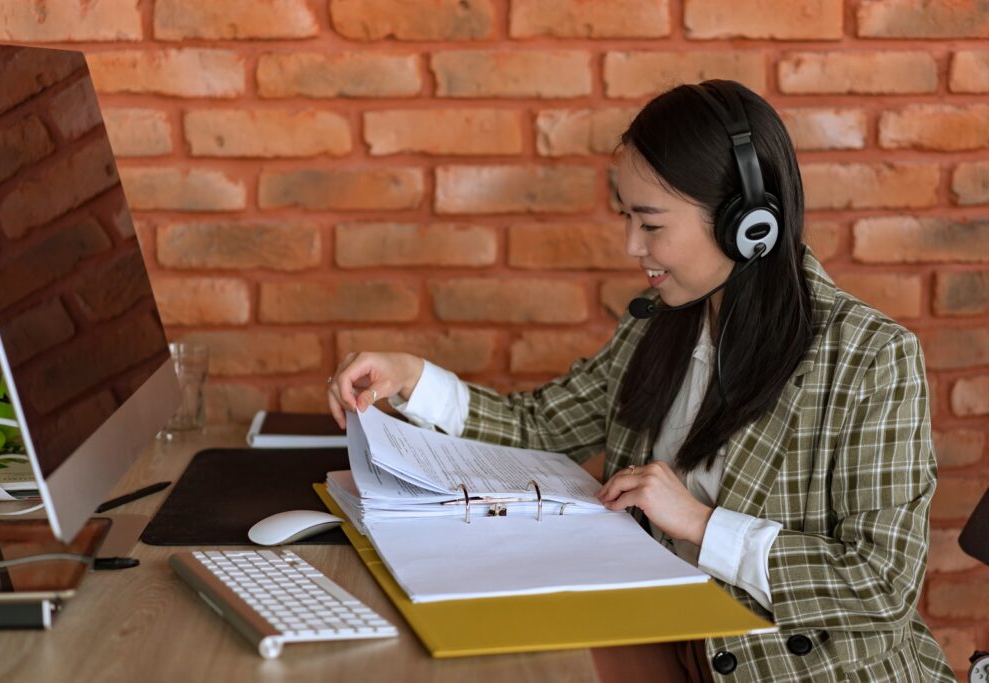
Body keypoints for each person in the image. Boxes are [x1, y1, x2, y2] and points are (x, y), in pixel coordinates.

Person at [327, 80, 953, 682]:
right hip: (663, 642)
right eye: (626, 217)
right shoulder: (661, 325)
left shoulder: (871, 358)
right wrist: (410, 377)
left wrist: (702, 525)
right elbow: (541, 425)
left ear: (749, 225)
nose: (632, 245)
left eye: (651, 225)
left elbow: (881, 582)